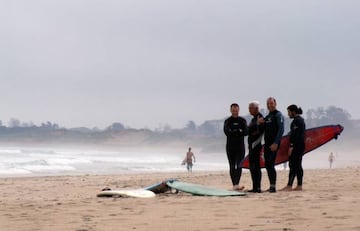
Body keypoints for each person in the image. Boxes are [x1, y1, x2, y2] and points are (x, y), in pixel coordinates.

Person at [258, 97, 284, 193]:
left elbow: (281, 129)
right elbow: (263, 128)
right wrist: (260, 123)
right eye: (268, 104)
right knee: (268, 164)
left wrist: (276, 143)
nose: (270, 105)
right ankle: (271, 186)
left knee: (270, 163)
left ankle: (273, 186)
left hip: (274, 143)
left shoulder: (278, 115)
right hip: (267, 144)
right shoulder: (268, 117)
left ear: (275, 103)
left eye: (271, 103)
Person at [280, 104, 306, 191]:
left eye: (289, 112)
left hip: (297, 146)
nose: (288, 114)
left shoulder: (297, 121)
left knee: (294, 165)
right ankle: (298, 185)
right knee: (297, 165)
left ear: (293, 112)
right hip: (300, 146)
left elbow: (296, 136)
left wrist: (291, 146)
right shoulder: (299, 120)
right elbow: (294, 133)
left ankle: (290, 185)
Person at [224, 103, 248, 190]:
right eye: (233, 110)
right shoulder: (227, 121)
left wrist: (234, 131)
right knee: (231, 165)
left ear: (239, 110)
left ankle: (237, 184)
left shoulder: (242, 120)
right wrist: (238, 131)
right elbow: (227, 132)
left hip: (240, 147)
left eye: (236, 110)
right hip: (230, 147)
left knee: (239, 165)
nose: (235, 112)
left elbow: (245, 132)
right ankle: (234, 184)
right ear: (231, 111)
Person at [247, 101, 265, 193]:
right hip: (251, 146)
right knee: (252, 167)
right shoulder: (254, 119)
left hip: (256, 145)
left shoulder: (260, 117)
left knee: (256, 167)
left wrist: (255, 126)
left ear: (256, 108)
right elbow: (248, 131)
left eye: (250, 108)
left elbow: (259, 131)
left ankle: (258, 187)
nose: (249, 110)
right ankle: (255, 187)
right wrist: (254, 126)